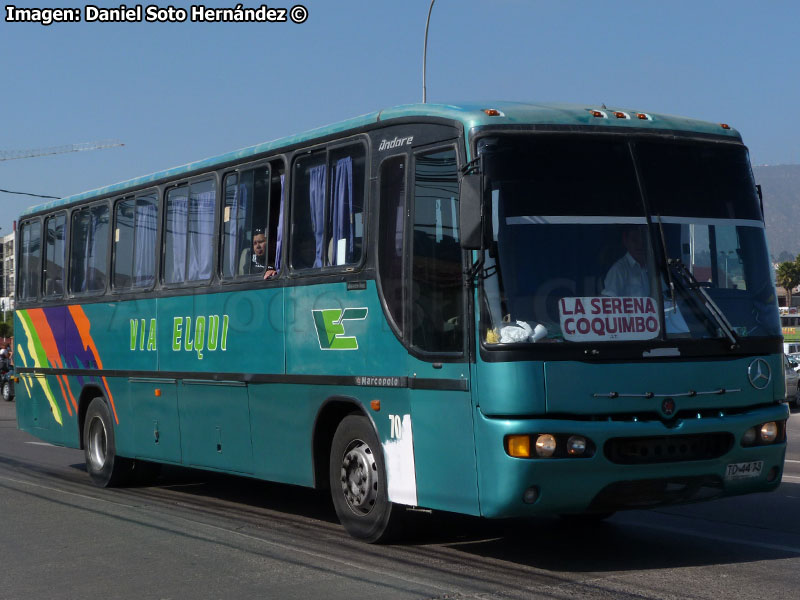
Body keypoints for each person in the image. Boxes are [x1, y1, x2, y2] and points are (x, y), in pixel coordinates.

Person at [602, 225, 689, 334]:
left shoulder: (655, 268)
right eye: (635, 239)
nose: (640, 245)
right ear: (626, 241)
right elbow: (609, 305)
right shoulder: (618, 270)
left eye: (644, 240)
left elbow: (666, 299)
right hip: (631, 331)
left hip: (657, 328)